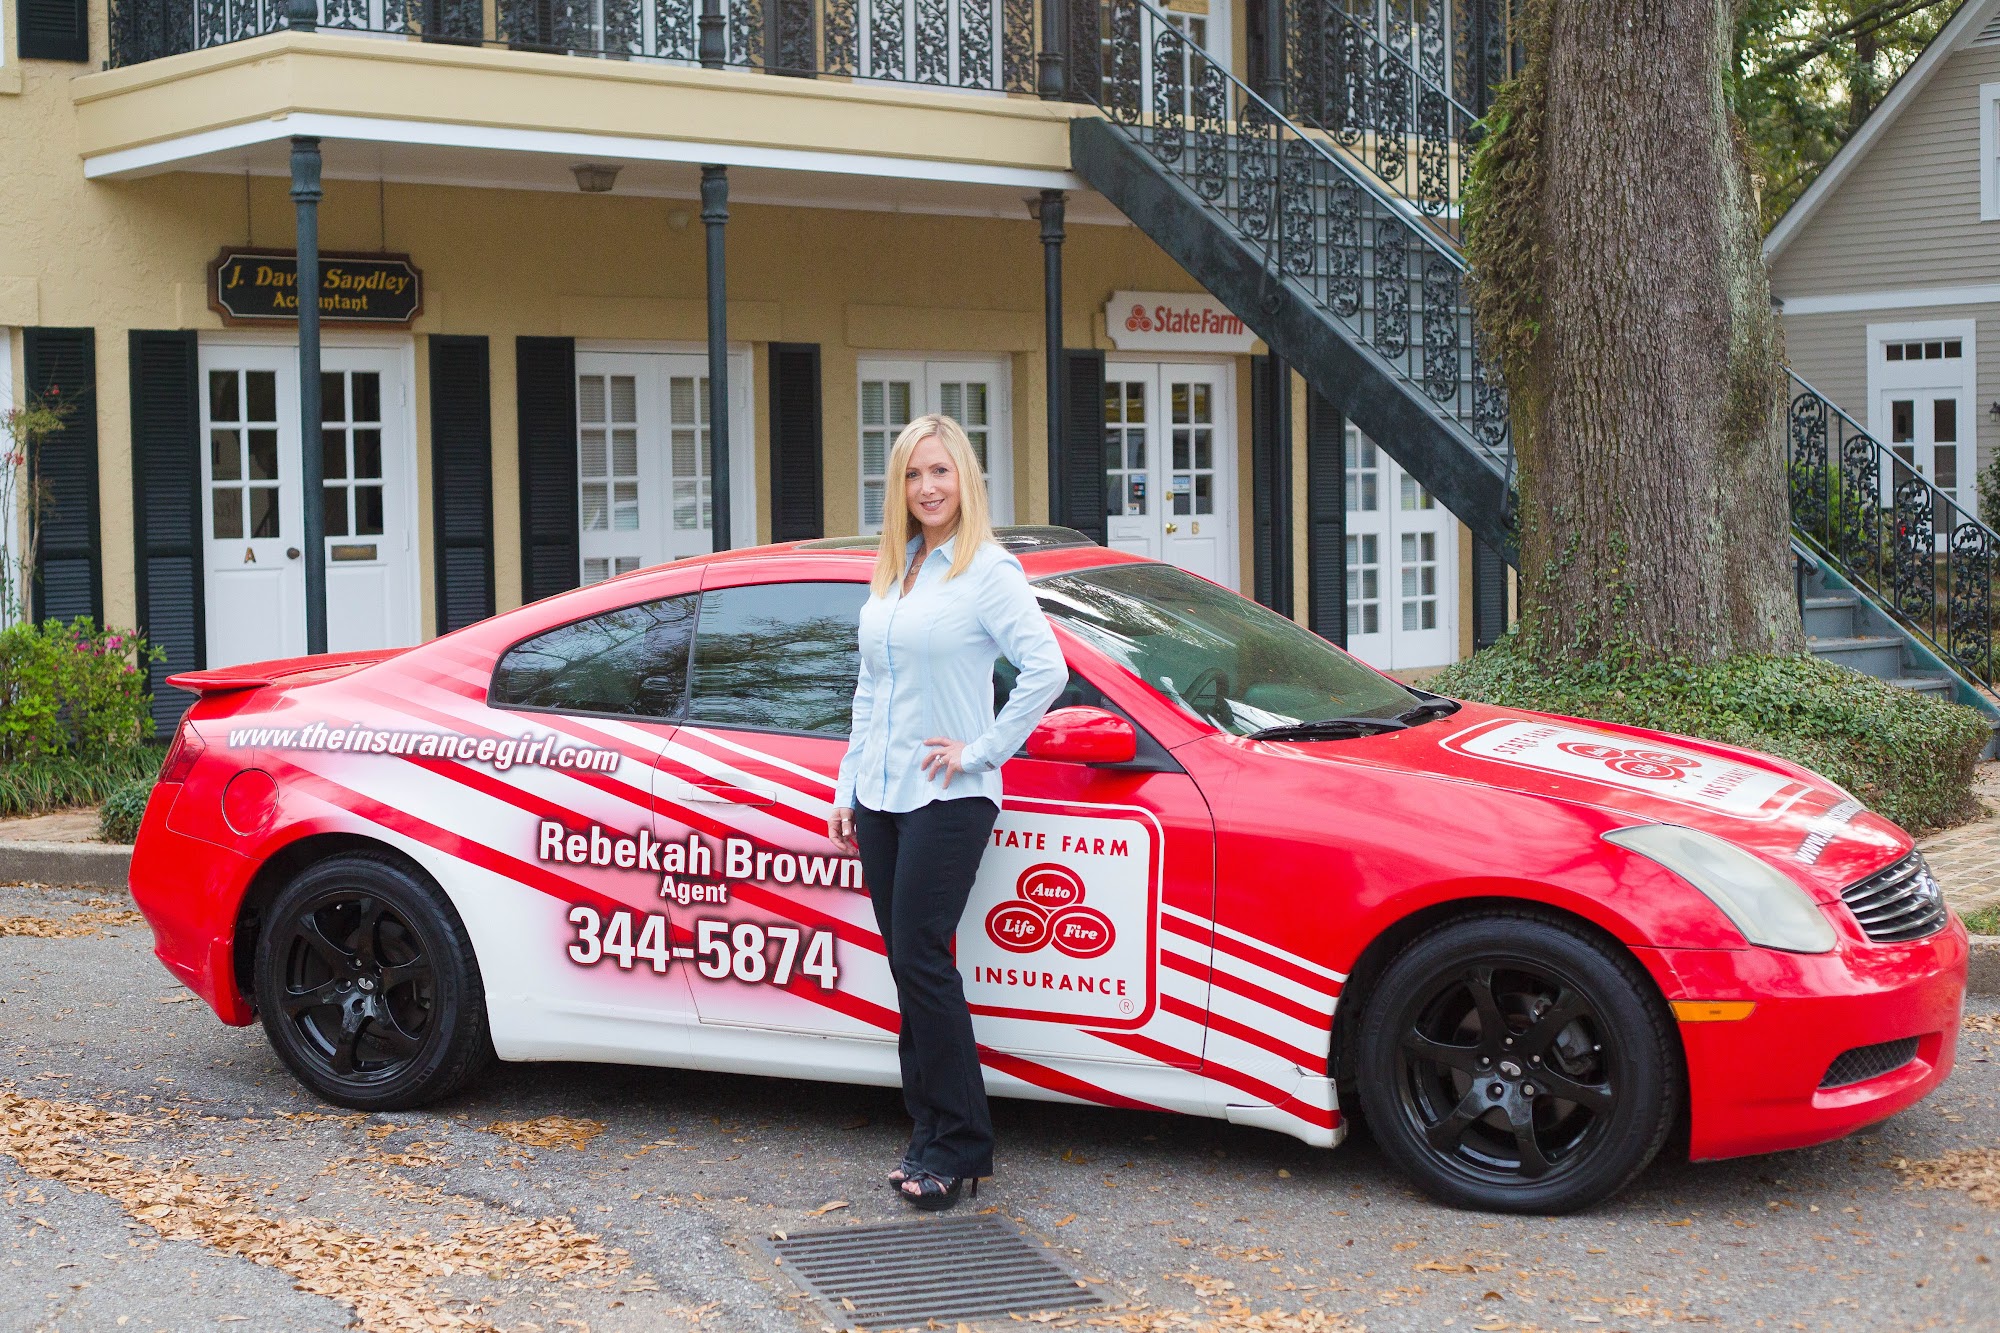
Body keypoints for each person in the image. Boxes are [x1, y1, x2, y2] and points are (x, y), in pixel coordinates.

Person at [827, 413, 1067, 1213]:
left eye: (939, 471)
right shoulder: (895, 569)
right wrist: (846, 786)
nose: (927, 487)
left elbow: (1045, 669)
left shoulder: (987, 571)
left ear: (964, 477)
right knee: (908, 964)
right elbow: (870, 687)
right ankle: (926, 1130)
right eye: (911, 473)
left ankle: (960, 1143)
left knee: (924, 957)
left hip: (949, 795)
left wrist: (982, 750)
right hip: (882, 795)